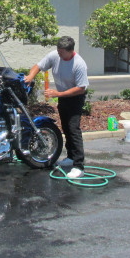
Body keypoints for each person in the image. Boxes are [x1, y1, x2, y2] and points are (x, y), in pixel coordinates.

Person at [25, 36, 89, 179]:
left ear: (69, 51)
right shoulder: (55, 55)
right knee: (65, 127)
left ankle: (79, 166)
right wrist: (30, 77)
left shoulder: (79, 64)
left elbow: (81, 88)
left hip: (75, 98)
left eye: (61, 52)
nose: (58, 54)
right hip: (63, 97)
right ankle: (71, 157)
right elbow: (38, 66)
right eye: (58, 51)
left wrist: (57, 93)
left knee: (73, 129)